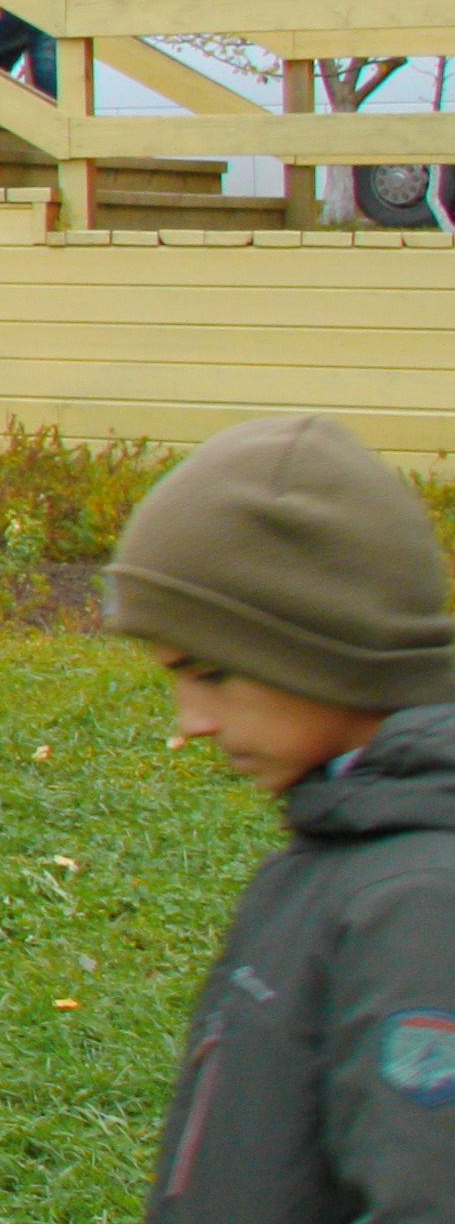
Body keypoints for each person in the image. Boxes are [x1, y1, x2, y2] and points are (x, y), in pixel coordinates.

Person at [103, 413, 455, 1222]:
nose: (187, 718)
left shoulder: (420, 903)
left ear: (325, 650)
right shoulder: (344, 847)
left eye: (212, 673)